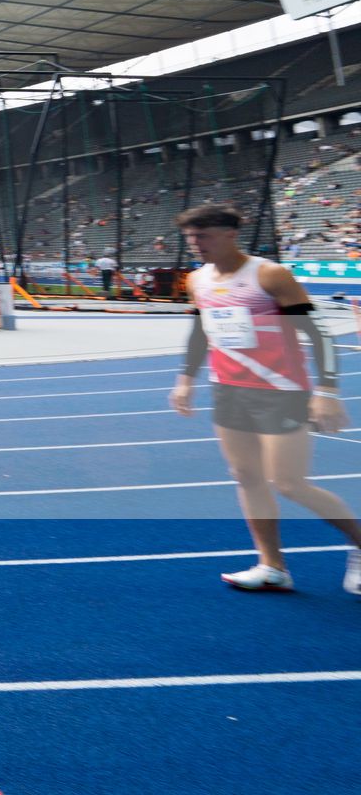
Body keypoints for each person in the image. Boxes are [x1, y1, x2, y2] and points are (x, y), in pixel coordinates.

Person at [168, 203, 361, 596]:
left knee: (289, 483)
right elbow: (201, 330)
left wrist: (327, 391)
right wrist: (185, 380)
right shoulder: (197, 279)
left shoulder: (269, 275)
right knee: (246, 476)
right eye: (190, 237)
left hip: (280, 390)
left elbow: (318, 333)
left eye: (203, 236)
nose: (196, 244)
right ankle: (272, 566)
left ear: (230, 234)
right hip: (228, 390)